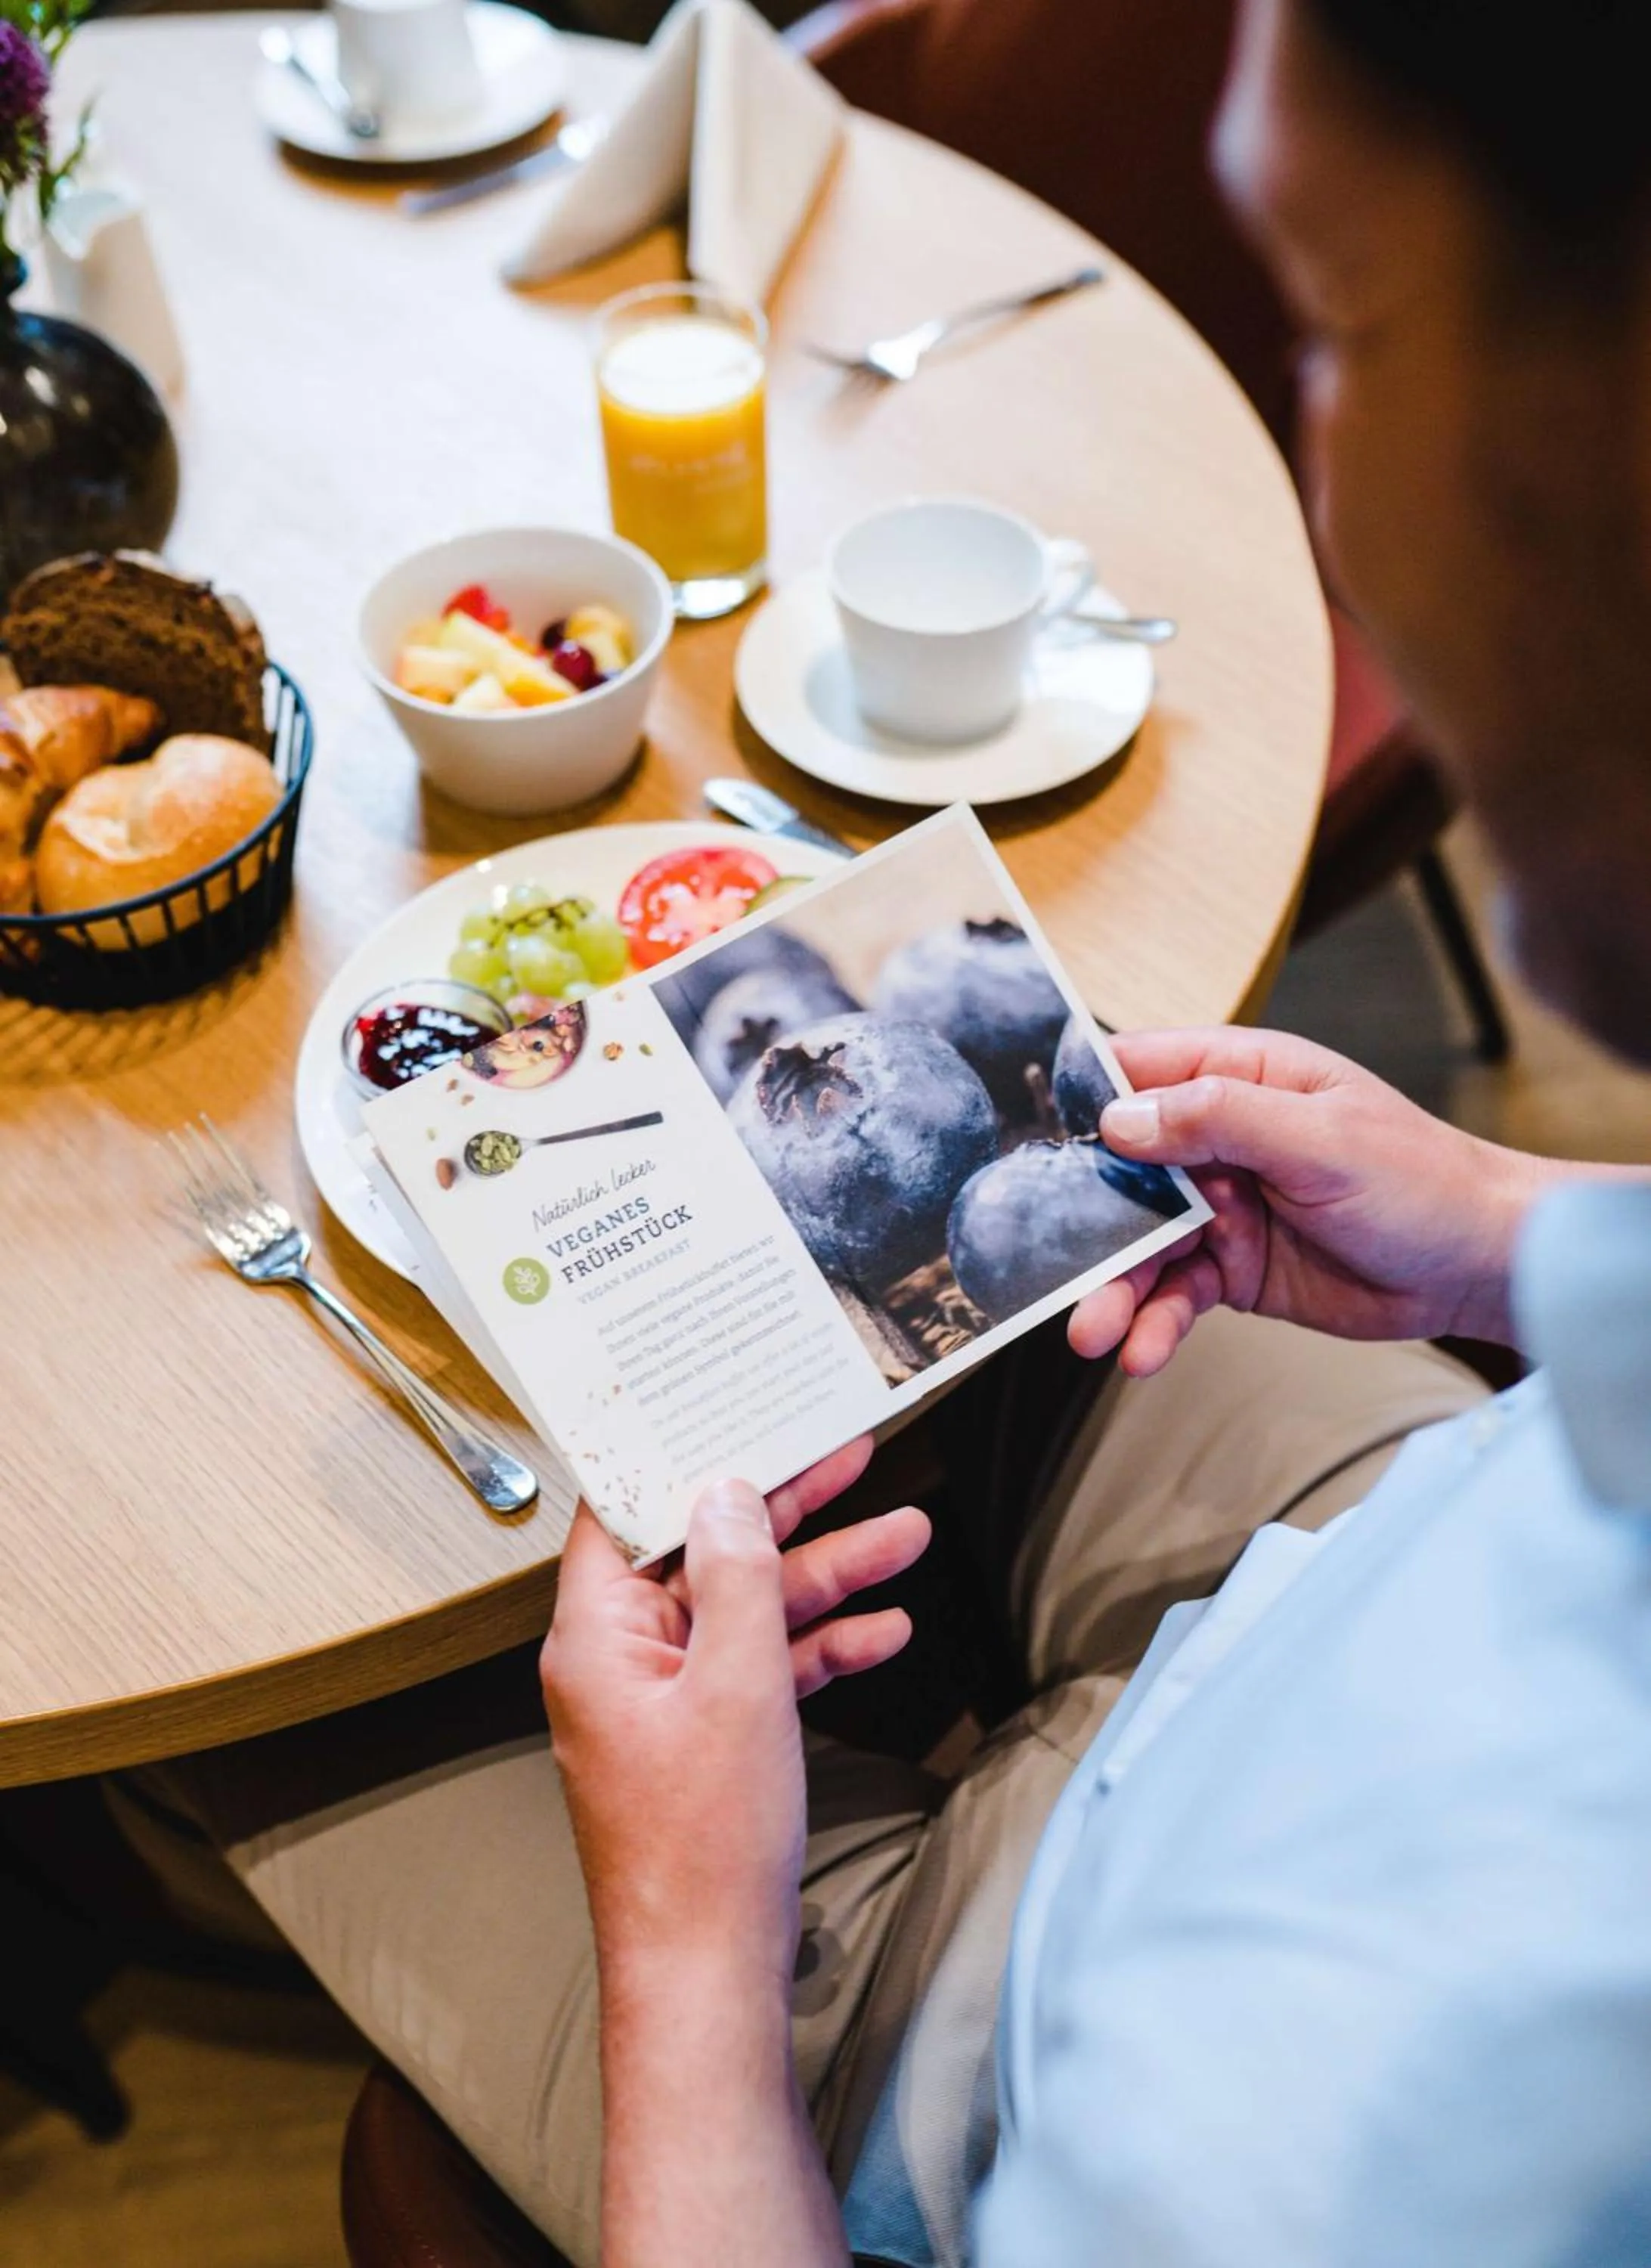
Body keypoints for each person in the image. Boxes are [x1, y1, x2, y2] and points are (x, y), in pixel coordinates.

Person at [137, 0, 1651, 2258]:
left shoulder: (1320, 2136)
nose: (1332, 483)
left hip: (1009, 2023)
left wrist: (678, 1952)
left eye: (1337, 321)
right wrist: (1515, 1231)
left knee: (238, 1613)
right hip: (1401, 1540)